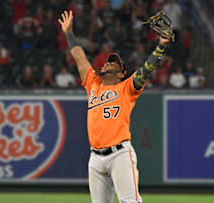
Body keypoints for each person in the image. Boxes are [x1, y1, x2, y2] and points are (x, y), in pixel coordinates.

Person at [58, 10, 170, 203]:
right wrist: (68, 33)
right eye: (107, 62)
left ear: (121, 73)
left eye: (113, 63)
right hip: (95, 158)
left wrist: (160, 47)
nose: (108, 64)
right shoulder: (93, 83)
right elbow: (79, 58)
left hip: (119, 154)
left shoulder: (126, 87)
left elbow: (146, 70)